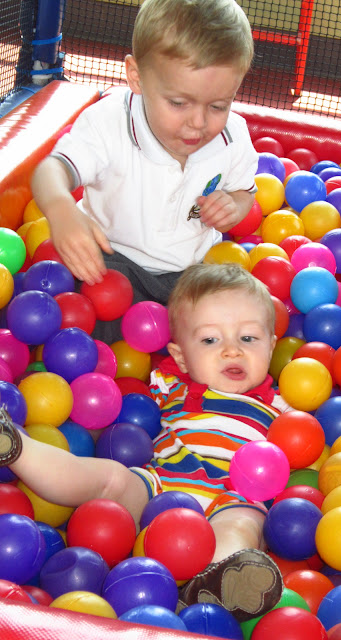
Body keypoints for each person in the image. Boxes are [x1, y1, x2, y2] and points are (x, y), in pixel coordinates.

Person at [0, 263, 288, 622]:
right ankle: (16, 446)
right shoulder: (171, 386)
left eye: (248, 338)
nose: (232, 351)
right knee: (111, 478)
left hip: (231, 497)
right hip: (159, 486)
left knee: (244, 525)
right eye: (210, 340)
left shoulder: (282, 407)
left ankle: (211, 586)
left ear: (271, 346)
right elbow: (105, 416)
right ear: (181, 357)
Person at [31, 0, 258, 343]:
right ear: (136, 77)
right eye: (178, 103)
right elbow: (50, 170)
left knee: (244, 323)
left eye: (218, 105)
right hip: (111, 263)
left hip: (195, 273)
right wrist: (60, 210)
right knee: (84, 323)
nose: (198, 122)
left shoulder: (232, 137)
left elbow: (245, 192)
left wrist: (234, 206)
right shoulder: (109, 123)